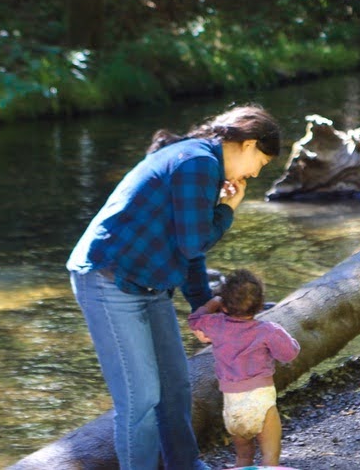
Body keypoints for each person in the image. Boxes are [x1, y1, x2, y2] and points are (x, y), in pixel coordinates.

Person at [66, 104, 281, 470]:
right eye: (260, 162)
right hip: (108, 278)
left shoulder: (204, 165)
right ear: (248, 144)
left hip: (150, 284)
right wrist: (227, 210)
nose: (256, 173)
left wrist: (202, 306)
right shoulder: (198, 162)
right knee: (140, 398)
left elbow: (189, 250)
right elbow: (194, 242)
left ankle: (186, 465)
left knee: (175, 386)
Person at [188, 269, 300, 469]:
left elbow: (194, 320)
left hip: (233, 407)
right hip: (261, 403)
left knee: (243, 457)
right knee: (270, 458)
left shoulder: (216, 325)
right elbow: (289, 353)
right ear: (260, 305)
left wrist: (213, 302)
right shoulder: (267, 330)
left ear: (224, 305)